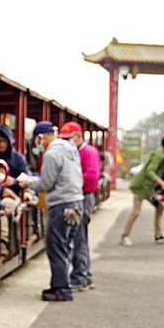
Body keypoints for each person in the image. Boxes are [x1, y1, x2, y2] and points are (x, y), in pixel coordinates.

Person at [18, 121, 83, 301]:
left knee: (56, 247)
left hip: (61, 206)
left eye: (37, 142)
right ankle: (61, 284)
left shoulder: (52, 153)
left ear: (40, 138)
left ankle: (61, 289)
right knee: (66, 246)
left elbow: (45, 184)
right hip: (77, 203)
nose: (37, 146)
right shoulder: (70, 150)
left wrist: (28, 182)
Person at [59, 121, 102, 291]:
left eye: (68, 138)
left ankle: (80, 276)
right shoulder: (74, 152)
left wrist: (68, 179)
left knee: (79, 238)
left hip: (83, 197)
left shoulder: (88, 152)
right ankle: (85, 275)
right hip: (77, 195)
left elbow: (92, 177)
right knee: (78, 237)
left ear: (78, 137)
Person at [120, 135, 164, 246]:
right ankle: (124, 236)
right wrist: (162, 183)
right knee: (136, 212)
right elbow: (150, 171)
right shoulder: (158, 155)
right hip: (141, 187)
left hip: (149, 188)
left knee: (160, 207)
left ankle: (158, 236)